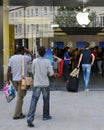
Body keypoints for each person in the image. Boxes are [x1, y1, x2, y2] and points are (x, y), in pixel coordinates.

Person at [27, 46, 54, 127]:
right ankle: (45, 115)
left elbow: (33, 71)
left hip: (37, 84)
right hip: (45, 84)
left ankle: (30, 117)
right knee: (46, 100)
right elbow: (51, 73)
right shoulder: (48, 61)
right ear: (45, 53)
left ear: (38, 53)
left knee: (34, 100)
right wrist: (47, 74)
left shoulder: (34, 61)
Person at [6, 45, 34, 119]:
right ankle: (16, 114)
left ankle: (19, 112)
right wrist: (28, 51)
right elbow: (33, 57)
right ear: (22, 51)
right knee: (20, 97)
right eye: (24, 51)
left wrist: (7, 80)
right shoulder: (25, 57)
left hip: (14, 80)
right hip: (22, 80)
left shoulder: (11, 58)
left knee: (20, 96)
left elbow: (8, 70)